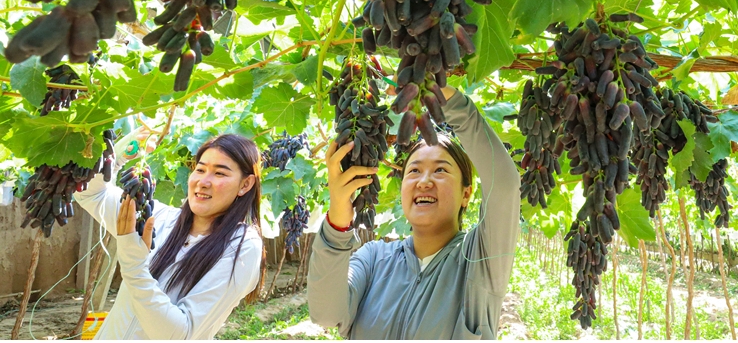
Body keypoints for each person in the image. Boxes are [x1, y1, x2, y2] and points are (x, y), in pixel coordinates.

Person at [308, 86, 520, 339]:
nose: (424, 182)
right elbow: (326, 315)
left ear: (466, 194)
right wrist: (338, 223)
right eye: (414, 171)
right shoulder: (374, 258)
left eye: (440, 170)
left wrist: (443, 96)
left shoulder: (480, 259)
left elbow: (505, 184)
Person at [74, 133, 266, 340]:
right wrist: (118, 156)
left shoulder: (242, 247)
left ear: (245, 185)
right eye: (200, 170)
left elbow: (178, 335)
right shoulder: (156, 217)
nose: (203, 181)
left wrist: (134, 268)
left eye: (219, 173)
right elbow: (88, 193)